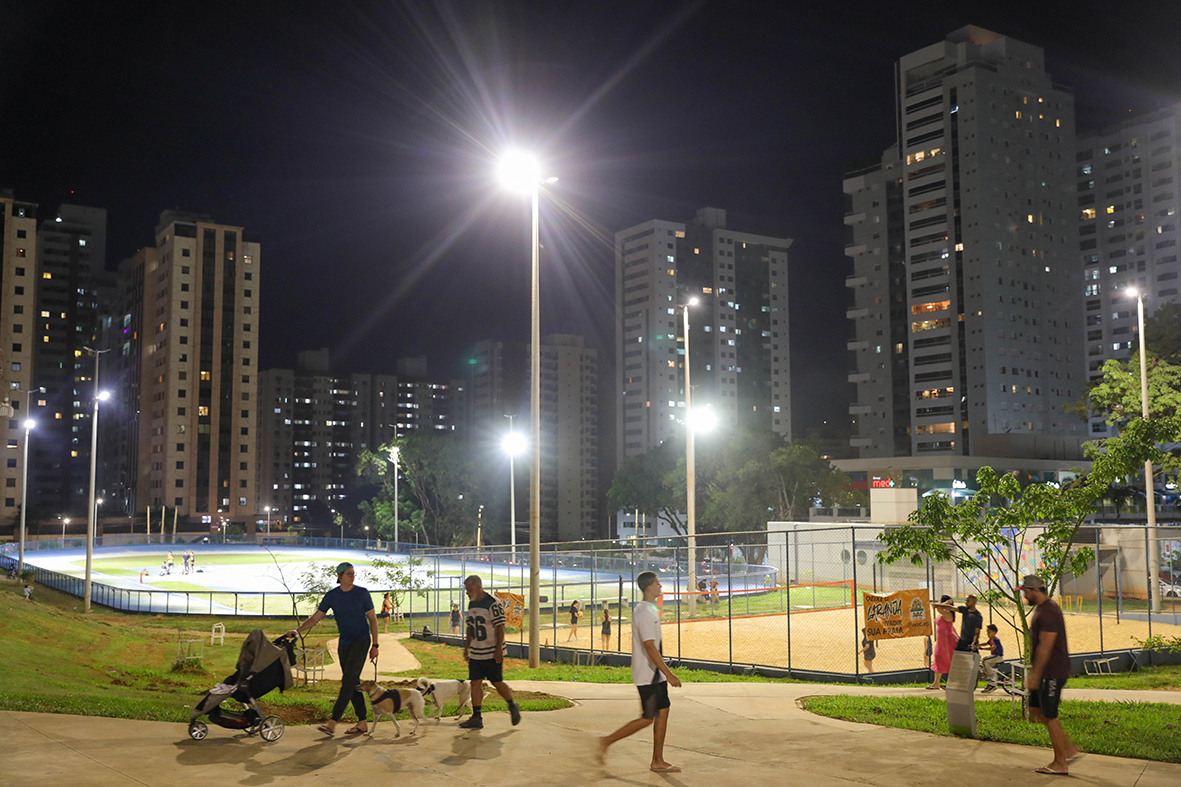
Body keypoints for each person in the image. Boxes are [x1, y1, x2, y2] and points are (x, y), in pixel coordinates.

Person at [597, 571, 682, 773]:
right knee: (647, 717)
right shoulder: (644, 612)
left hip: (655, 674)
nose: (660, 586)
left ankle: (657, 761)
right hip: (649, 675)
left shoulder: (649, 609)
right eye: (658, 583)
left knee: (663, 711)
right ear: (649, 587)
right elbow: (650, 647)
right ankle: (606, 741)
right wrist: (669, 674)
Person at [287, 562, 379, 736]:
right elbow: (315, 618)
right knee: (353, 683)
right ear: (339, 576)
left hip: (361, 641)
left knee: (348, 682)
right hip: (344, 644)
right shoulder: (332, 596)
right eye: (349, 574)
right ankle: (362, 723)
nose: (353, 577)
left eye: (354, 573)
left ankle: (332, 723)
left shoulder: (362, 593)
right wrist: (297, 630)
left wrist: (375, 645)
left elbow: (373, 620)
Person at [1020, 574, 1082, 775]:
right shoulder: (1043, 609)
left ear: (1035, 591)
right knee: (1034, 709)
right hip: (1046, 672)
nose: (1025, 595)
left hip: (1051, 672)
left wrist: (1036, 674)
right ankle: (1069, 748)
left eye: (1026, 592)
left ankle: (1060, 763)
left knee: (1050, 715)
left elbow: (1046, 645)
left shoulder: (1047, 612)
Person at [458, 575, 521, 729]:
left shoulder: (492, 603)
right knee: (475, 681)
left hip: (491, 651)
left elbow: (500, 626)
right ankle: (477, 716)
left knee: (496, 681)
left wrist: (498, 648)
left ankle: (512, 705)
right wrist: (467, 647)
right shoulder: (472, 604)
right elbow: (470, 627)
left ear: (479, 587)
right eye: (466, 590)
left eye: (469, 589)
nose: (467, 593)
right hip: (477, 652)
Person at [926, 595, 956, 690]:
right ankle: (936, 683)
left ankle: (937, 683)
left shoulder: (947, 613)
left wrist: (946, 604)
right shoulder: (945, 613)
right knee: (939, 661)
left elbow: (937, 607)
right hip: (943, 641)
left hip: (946, 642)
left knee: (942, 660)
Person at [979, 623, 1005, 692]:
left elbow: (993, 648)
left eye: (989, 632)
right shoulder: (991, 639)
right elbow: (986, 643)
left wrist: (982, 649)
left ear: (994, 632)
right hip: (994, 656)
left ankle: (992, 678)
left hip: (998, 656)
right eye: (987, 632)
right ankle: (992, 682)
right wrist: (978, 645)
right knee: (983, 664)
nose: (988, 634)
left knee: (985, 661)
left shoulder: (996, 640)